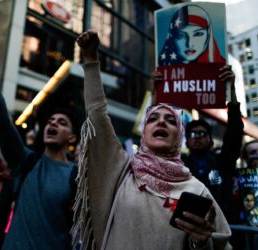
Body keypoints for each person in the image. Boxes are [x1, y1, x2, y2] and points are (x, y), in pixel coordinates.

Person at [72, 30, 231, 250]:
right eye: (153, 119)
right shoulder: (123, 172)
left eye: (171, 120)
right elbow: (97, 116)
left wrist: (201, 242)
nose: (161, 123)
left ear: (179, 137)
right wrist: (91, 59)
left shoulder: (197, 190)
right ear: (144, 132)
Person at [0, 38, 78, 250]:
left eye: (62, 123)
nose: (53, 124)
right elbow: (2, 121)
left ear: (72, 138)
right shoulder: (26, 162)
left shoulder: (77, 177)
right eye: (50, 121)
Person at [181, 66, 244, 223]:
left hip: (223, 231)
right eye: (193, 134)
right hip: (187, 232)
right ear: (187, 140)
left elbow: (234, 134)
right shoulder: (179, 165)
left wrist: (231, 89)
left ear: (210, 140)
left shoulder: (223, 162)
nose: (198, 137)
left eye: (203, 134)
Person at [158, 4, 225, 66]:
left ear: (208, 35)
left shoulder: (221, 68)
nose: (189, 44)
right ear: (172, 37)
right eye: (181, 35)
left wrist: (228, 79)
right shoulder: (164, 67)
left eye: (198, 34)